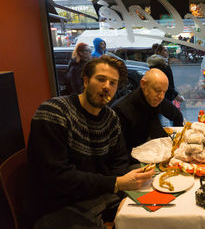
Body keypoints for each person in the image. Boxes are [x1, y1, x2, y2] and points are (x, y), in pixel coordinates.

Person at [26, 55, 155, 228]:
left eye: (113, 83)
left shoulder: (110, 118)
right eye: (101, 79)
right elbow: (57, 178)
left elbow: (120, 162)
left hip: (99, 196)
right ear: (86, 80)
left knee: (155, 209)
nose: (106, 87)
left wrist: (118, 183)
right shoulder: (54, 113)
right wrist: (115, 183)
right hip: (60, 207)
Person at [112, 68, 184, 156]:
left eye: (164, 92)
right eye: (157, 90)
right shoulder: (121, 110)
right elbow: (120, 153)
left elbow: (177, 115)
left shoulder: (156, 98)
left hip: (157, 151)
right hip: (134, 158)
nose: (161, 96)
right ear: (143, 84)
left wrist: (178, 140)